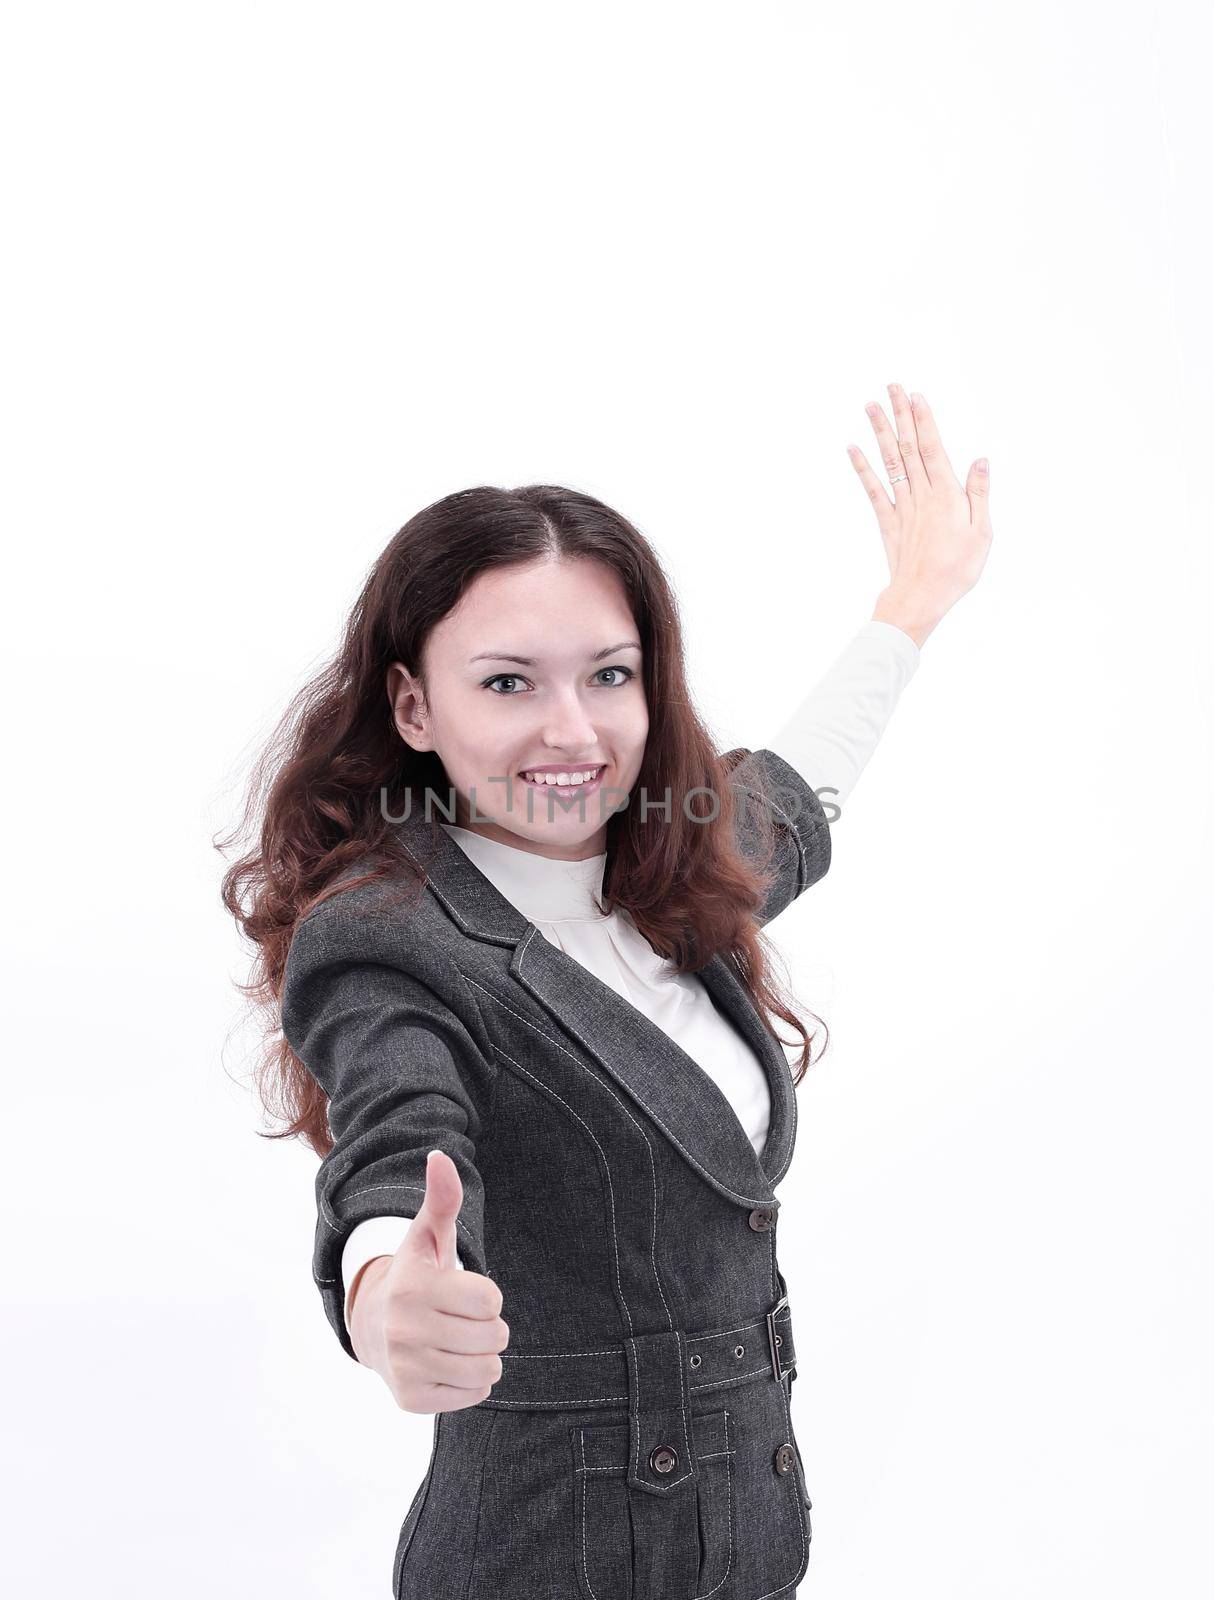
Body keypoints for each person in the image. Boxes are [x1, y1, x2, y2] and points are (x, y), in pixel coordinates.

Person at [221, 384, 992, 1598]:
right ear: (413, 704)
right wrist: (386, 1293)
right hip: (544, 1558)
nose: (571, 731)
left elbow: (801, 781)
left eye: (610, 675)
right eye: (509, 683)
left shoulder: (676, 858)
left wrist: (911, 601)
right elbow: (396, 1142)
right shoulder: (385, 938)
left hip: (743, 1539)